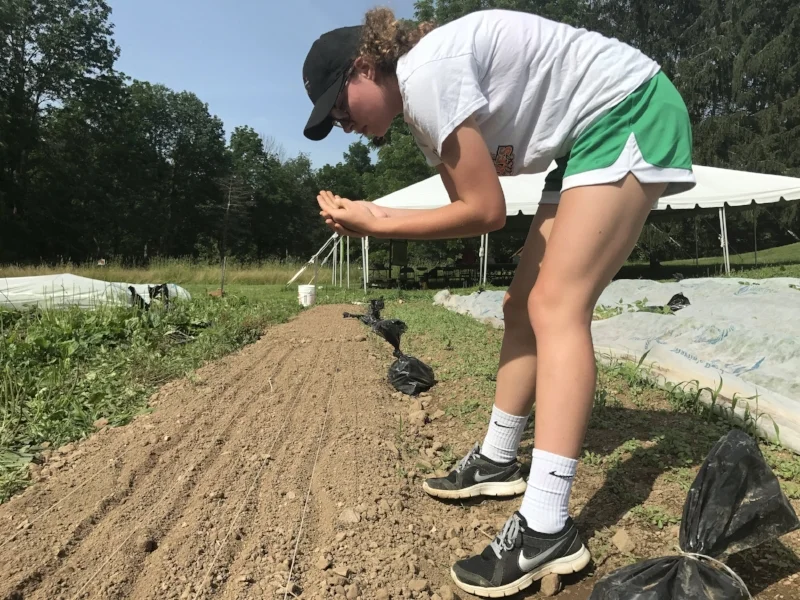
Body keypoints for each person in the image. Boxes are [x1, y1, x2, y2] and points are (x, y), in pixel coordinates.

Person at [301, 7, 694, 597]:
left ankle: (546, 528)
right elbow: (465, 211)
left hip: (627, 110)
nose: (341, 123)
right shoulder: (419, 106)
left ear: (364, 68)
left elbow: (484, 212)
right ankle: (498, 457)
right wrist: (370, 217)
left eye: (338, 105)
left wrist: (374, 222)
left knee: (557, 307)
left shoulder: (427, 74)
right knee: (521, 306)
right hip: (587, 138)